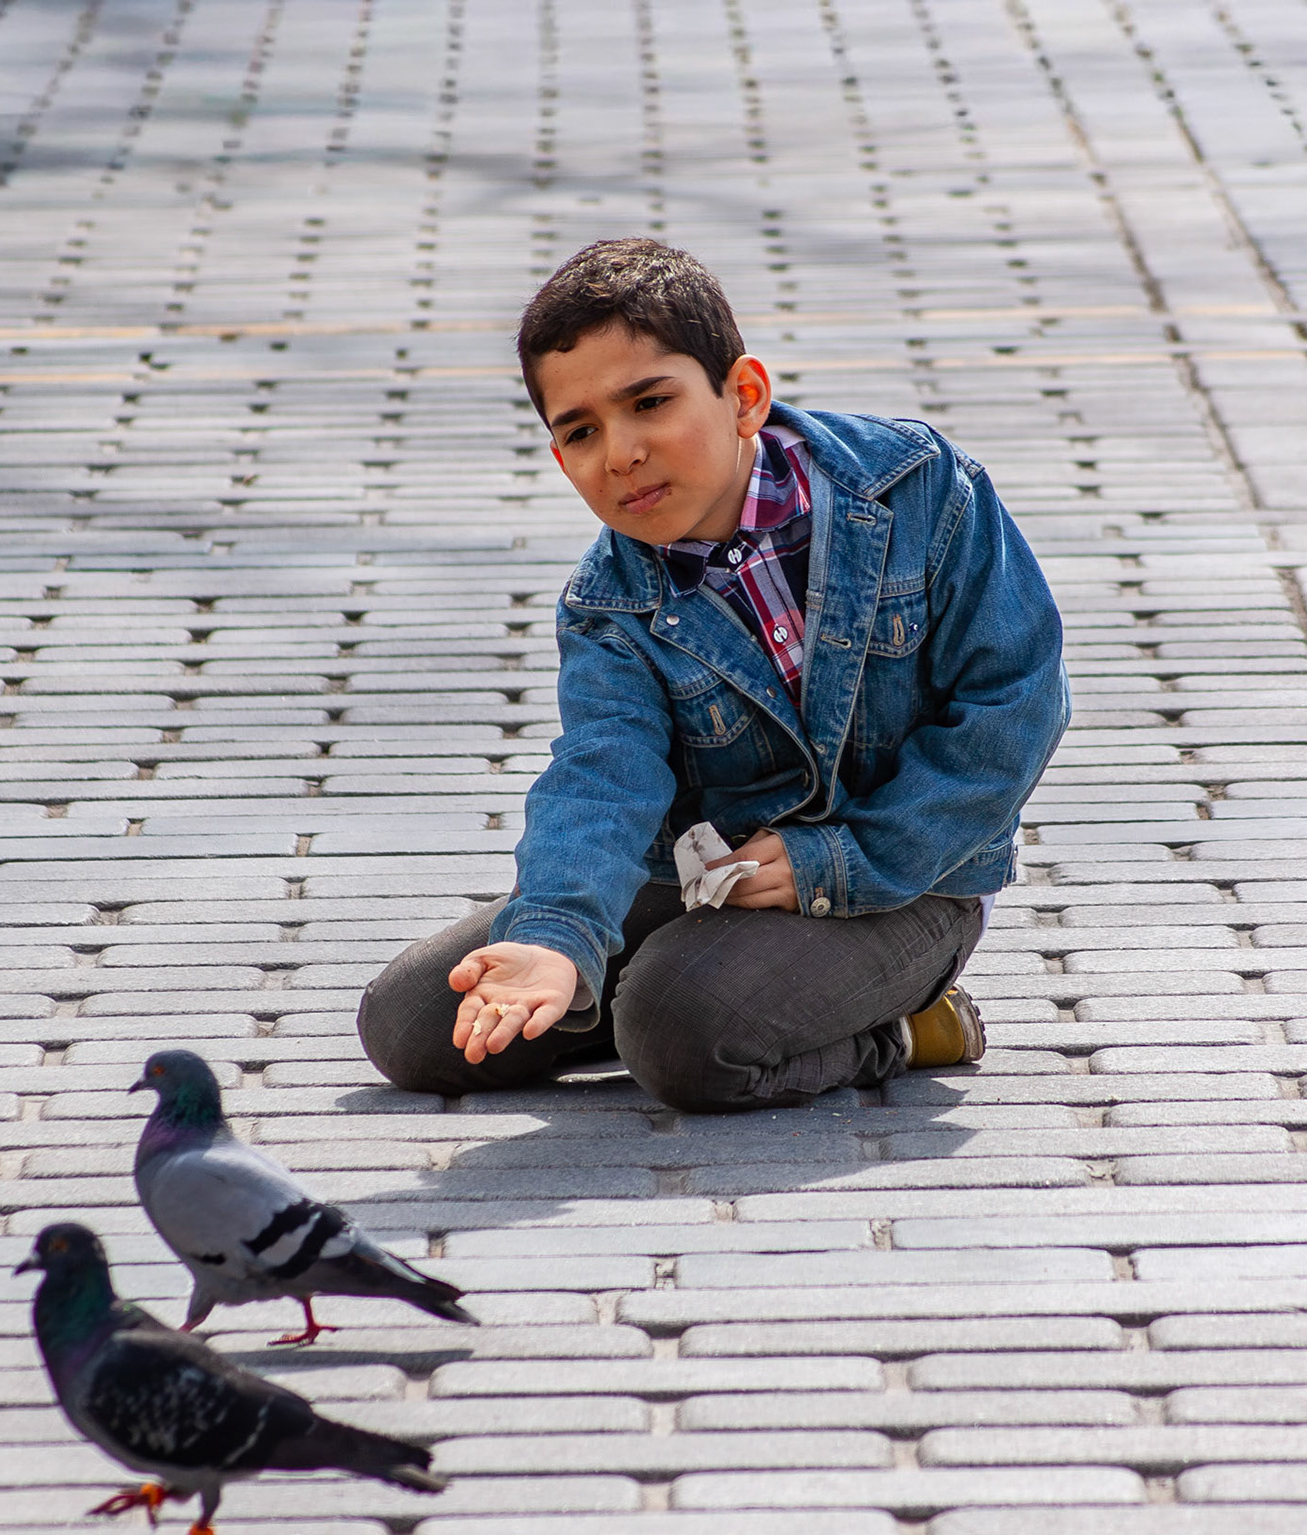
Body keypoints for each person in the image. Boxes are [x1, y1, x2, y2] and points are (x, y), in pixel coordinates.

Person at [358, 239, 1069, 1111]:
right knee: (410, 1025)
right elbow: (602, 772)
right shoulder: (608, 604)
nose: (620, 452)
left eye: (649, 402)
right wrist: (555, 938)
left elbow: (1014, 703)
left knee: (675, 1026)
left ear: (744, 396)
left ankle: (901, 1025)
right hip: (709, 881)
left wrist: (841, 860)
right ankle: (680, 988)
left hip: (909, 878)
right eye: (580, 431)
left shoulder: (917, 489)